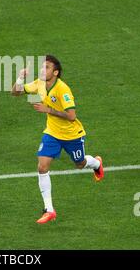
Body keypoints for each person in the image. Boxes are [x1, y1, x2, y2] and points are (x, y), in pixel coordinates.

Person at [12, 55, 104, 224]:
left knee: (80, 163)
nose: (42, 70)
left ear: (55, 72)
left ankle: (97, 163)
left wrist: (48, 110)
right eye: (42, 66)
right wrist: (20, 77)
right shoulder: (39, 83)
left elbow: (71, 116)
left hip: (72, 135)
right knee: (42, 166)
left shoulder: (63, 89)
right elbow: (15, 92)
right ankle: (49, 210)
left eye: (46, 67)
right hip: (52, 133)